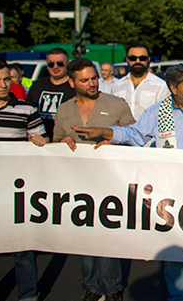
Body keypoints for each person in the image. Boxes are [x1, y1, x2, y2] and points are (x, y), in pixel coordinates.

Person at [72, 64, 183, 301]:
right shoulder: (156, 112)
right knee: (174, 242)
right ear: (173, 88)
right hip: (171, 190)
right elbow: (135, 135)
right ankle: (177, 295)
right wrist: (106, 133)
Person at [52, 58, 134, 301]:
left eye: (94, 78)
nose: (91, 83)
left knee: (107, 237)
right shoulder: (64, 109)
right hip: (76, 185)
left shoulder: (116, 104)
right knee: (83, 239)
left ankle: (112, 289)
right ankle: (91, 287)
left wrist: (115, 140)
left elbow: (134, 137)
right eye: (84, 80)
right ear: (71, 82)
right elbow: (55, 139)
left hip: (109, 182)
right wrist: (60, 142)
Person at [0, 57, 48, 301]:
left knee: (22, 249)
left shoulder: (26, 110)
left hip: (16, 191)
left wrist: (40, 142)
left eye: (6, 79)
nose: (3, 84)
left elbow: (41, 141)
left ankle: (28, 296)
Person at [25, 47, 76, 140]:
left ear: (67, 64)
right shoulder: (38, 84)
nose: (55, 67)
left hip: (65, 141)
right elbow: (27, 110)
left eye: (60, 63)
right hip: (38, 140)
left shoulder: (75, 87)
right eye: (51, 64)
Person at [111, 43, 170, 121]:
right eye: (133, 58)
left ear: (148, 60)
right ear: (127, 60)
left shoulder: (160, 86)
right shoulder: (117, 86)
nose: (137, 61)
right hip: (123, 132)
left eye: (142, 58)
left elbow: (164, 117)